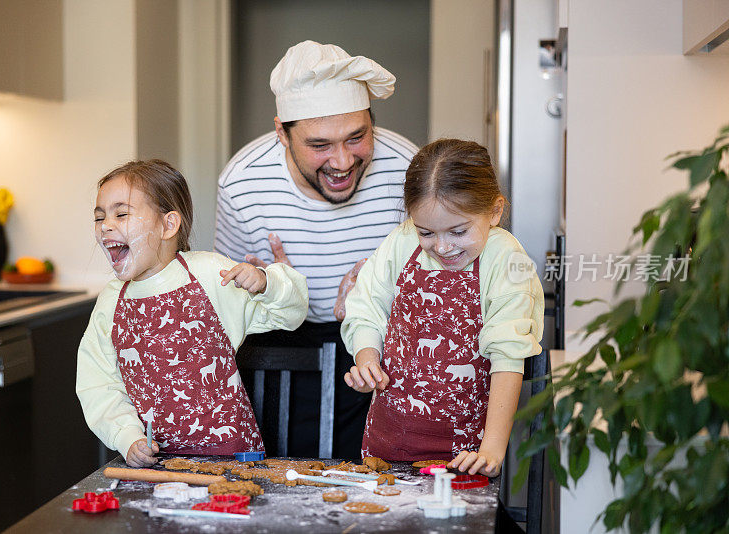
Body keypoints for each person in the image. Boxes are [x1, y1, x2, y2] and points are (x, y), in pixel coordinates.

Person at [214, 40, 418, 458]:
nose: (342, 161)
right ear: (281, 134)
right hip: (284, 362)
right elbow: (226, 311)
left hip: (383, 357)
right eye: (320, 145)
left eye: (357, 137)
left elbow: (440, 275)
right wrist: (274, 290)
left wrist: (384, 299)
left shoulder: (407, 169)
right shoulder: (241, 183)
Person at [77, 160, 307, 467]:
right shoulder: (110, 302)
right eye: (99, 217)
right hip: (157, 463)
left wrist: (267, 284)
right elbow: (98, 383)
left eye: (121, 213)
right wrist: (126, 436)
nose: (106, 225)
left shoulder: (211, 273)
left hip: (234, 457)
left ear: (168, 225)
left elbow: (291, 315)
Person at [341, 139, 544, 475]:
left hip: (466, 452)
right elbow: (367, 307)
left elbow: (508, 353)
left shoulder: (505, 258)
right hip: (388, 439)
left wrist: (491, 450)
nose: (443, 246)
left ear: (495, 210)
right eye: (427, 232)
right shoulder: (401, 242)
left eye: (458, 231)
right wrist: (367, 360)